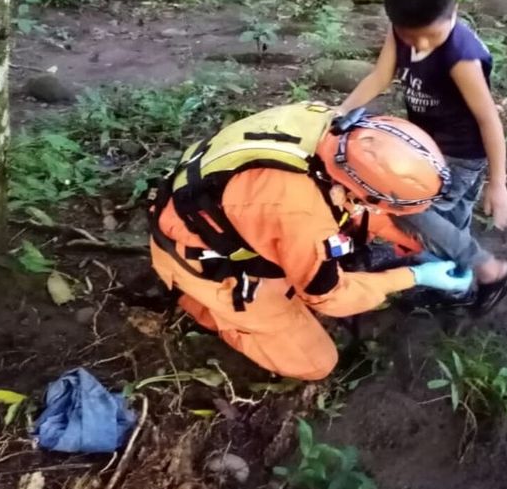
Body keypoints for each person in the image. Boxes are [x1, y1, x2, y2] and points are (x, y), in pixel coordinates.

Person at [147, 102, 473, 381]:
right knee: (317, 363)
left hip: (218, 203)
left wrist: (413, 242)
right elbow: (329, 298)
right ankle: (205, 308)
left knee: (334, 242)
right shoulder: (300, 213)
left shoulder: (333, 125)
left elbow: (356, 205)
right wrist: (413, 276)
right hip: (197, 256)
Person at [337, 0, 507, 315]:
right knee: (450, 219)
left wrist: (498, 184)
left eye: (430, 37)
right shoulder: (401, 31)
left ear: (452, 14)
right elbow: (380, 75)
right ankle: (456, 285)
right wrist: (342, 111)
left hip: (461, 153)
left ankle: (487, 269)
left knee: (408, 209)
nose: (420, 46)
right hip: (425, 145)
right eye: (412, 38)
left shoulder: (461, 57)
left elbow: (488, 120)